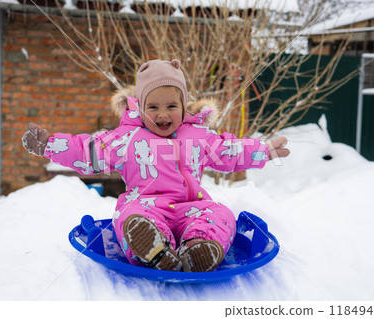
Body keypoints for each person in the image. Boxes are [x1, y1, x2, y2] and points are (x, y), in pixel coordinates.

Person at [22, 59, 289, 272]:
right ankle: (153, 250)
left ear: (184, 107)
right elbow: (87, 150)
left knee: (221, 214)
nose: (162, 114)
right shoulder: (126, 138)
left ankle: (199, 247)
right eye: (153, 107)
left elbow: (229, 151)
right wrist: (51, 145)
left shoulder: (197, 136)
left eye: (172, 105)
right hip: (146, 206)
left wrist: (263, 151)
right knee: (128, 217)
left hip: (192, 206)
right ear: (140, 107)